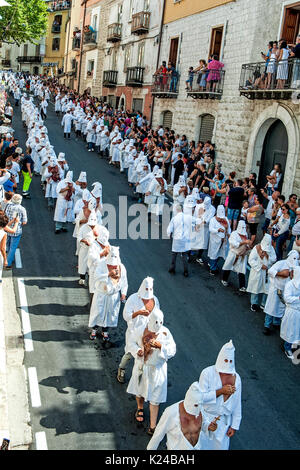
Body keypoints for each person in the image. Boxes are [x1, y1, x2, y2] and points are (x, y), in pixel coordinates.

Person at [126, 309, 176, 435]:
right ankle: (140, 407)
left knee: (155, 397)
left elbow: (172, 350)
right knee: (139, 390)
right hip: (142, 366)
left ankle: (153, 425)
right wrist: (138, 350)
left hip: (157, 370)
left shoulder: (165, 333)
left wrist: (160, 346)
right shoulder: (140, 329)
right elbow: (130, 342)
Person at [147, 382, 218, 450]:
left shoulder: (200, 408)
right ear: (189, 402)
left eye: (200, 405)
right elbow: (158, 435)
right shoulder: (171, 412)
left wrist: (209, 426)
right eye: (196, 405)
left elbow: (203, 423)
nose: (198, 408)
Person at [199, 340, 242, 450]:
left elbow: (237, 403)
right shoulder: (207, 373)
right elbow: (200, 398)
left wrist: (234, 425)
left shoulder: (237, 379)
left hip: (223, 424)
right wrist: (220, 391)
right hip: (205, 419)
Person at [117, 277, 159, 384]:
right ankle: (121, 368)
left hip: (148, 334)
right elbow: (126, 316)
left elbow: (158, 317)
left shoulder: (155, 300)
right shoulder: (133, 299)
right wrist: (138, 313)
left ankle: (139, 378)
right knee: (130, 353)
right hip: (134, 332)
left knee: (146, 356)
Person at [88, 246, 128, 346]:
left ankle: (105, 331)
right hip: (101, 294)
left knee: (110, 314)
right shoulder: (101, 264)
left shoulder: (121, 267)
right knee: (98, 312)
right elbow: (96, 276)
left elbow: (124, 281)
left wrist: (123, 294)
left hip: (113, 296)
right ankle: (94, 329)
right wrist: (108, 274)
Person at [263, 250, 299, 335]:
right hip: (276, 288)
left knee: (281, 307)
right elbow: (270, 271)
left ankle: (276, 322)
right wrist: (281, 273)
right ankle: (267, 325)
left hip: (286, 291)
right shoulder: (281, 263)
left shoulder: (295, 266)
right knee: (271, 307)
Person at [246, 233, 277, 311]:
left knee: (266, 288)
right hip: (258, 271)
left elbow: (274, 259)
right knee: (255, 287)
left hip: (266, 272)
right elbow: (251, 260)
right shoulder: (256, 248)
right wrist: (260, 266)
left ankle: (263, 303)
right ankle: (254, 303)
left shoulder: (271, 249)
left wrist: (267, 256)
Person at [167, 201, 195, 277]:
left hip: (176, 239)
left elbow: (170, 229)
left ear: (176, 210)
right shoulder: (187, 217)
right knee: (184, 255)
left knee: (174, 254)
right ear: (182, 209)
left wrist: (169, 234)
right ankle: (186, 271)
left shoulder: (174, 218)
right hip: (185, 239)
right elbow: (195, 221)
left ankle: (172, 268)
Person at [221, 220, 251, 291]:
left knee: (241, 270)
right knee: (229, 266)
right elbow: (233, 243)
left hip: (242, 255)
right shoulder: (234, 234)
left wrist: (247, 246)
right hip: (233, 253)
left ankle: (242, 286)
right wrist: (244, 242)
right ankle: (224, 279)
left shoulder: (245, 234)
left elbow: (246, 244)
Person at [280, 265, 300, 360]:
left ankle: (294, 346)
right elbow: (287, 298)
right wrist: (298, 299)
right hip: (292, 311)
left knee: (297, 331)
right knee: (291, 330)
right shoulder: (290, 285)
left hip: (298, 311)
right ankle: (287, 347)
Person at [190, 196, 216, 264]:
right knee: (194, 240)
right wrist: (195, 224)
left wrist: (200, 223)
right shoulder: (199, 206)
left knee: (203, 243)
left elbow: (208, 219)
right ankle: (188, 254)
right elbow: (195, 216)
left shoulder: (212, 209)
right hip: (197, 226)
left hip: (205, 228)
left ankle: (199, 256)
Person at [5, 194, 27, 269]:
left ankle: (7, 258)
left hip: (7, 228)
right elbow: (24, 222)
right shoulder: (22, 209)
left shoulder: (8, 206)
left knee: (7, 245)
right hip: (16, 230)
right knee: (13, 247)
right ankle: (8, 263)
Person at [208, 205, 231, 275]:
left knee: (219, 254)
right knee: (213, 253)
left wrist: (226, 229)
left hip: (223, 241)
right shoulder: (212, 220)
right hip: (215, 241)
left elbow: (229, 229)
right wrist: (218, 230)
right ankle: (212, 268)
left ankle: (213, 264)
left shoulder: (225, 219)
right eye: (220, 218)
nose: (221, 219)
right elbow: (210, 229)